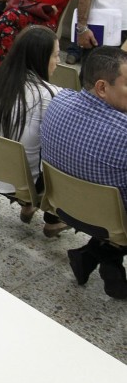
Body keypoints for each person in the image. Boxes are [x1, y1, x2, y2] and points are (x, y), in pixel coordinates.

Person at [40, 47, 127, 299]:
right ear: (102, 87)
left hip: (65, 208)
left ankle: (93, 257)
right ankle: (99, 257)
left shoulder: (58, 101)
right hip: (111, 221)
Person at [0, 26, 67, 236]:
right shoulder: (50, 95)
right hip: (21, 180)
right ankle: (52, 219)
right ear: (40, 58)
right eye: (55, 55)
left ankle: (28, 205)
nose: (59, 61)